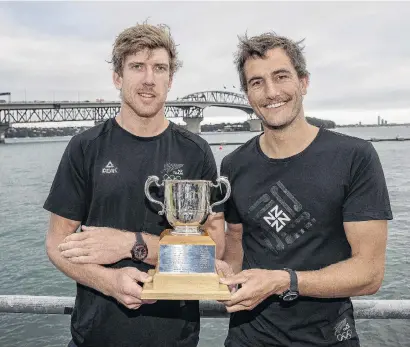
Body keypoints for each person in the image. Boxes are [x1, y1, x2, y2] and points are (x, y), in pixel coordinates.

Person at [44, 23, 225, 347]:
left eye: (159, 68)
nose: (148, 79)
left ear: (170, 80)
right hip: (94, 337)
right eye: (137, 67)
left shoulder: (195, 151)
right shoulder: (85, 147)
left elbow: (215, 253)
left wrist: (133, 245)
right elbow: (56, 244)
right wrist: (109, 281)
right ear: (118, 76)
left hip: (176, 338)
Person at [217, 32, 393, 347]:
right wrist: (222, 276)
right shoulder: (232, 165)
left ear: (304, 82)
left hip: (327, 338)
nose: (271, 92)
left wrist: (283, 281)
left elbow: (370, 272)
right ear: (247, 94)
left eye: (281, 76)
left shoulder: (355, 157)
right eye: (256, 82)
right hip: (247, 337)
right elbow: (236, 246)